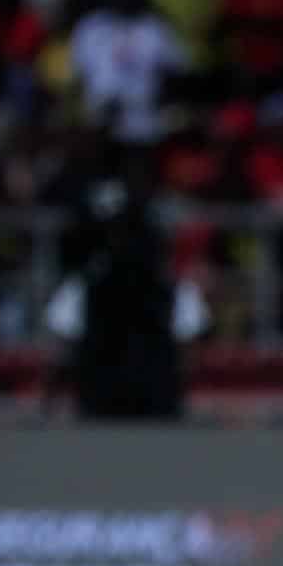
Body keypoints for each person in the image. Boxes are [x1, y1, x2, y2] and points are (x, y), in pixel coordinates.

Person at [45, 180, 208, 421]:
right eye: (119, 233)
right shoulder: (83, 286)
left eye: (132, 232)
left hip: (147, 408)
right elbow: (62, 348)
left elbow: (62, 349)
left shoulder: (174, 288)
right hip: (108, 407)